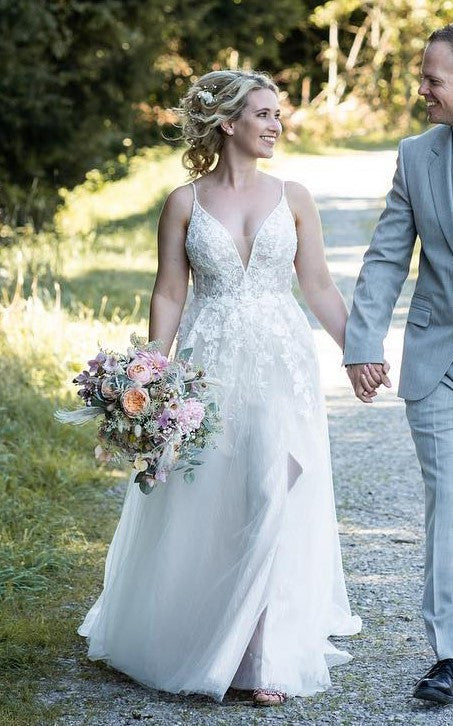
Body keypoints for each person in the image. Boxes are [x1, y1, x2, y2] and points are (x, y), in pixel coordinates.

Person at [79, 69, 360, 707]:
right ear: (228, 123)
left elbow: (318, 285)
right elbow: (168, 293)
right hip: (207, 367)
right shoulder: (184, 203)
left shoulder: (294, 196)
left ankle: (261, 656)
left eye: (278, 114)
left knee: (270, 489)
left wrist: (358, 352)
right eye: (263, 114)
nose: (276, 125)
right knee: (213, 501)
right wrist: (150, 378)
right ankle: (206, 636)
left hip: (280, 367)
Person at [344, 23, 453, 707]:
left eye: (432, 79)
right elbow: (387, 255)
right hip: (437, 358)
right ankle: (450, 654)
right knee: (449, 499)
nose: (421, 91)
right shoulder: (416, 157)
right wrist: (363, 341)